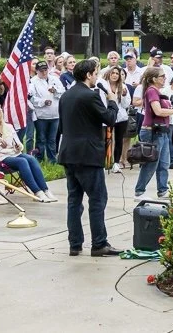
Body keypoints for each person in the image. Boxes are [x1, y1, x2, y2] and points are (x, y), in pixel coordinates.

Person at [57, 59, 122, 257]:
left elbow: (61, 126)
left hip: (69, 153)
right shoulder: (90, 96)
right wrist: (112, 100)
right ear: (88, 75)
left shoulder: (66, 95)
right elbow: (110, 119)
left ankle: (75, 244)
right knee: (97, 199)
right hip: (88, 155)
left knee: (74, 200)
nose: (96, 76)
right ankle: (99, 243)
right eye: (95, 73)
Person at [0, 105, 55, 201]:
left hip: (13, 153)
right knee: (22, 161)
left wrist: (18, 147)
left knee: (31, 158)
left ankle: (45, 190)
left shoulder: (8, 127)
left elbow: (19, 144)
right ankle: (37, 192)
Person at [134, 66, 173, 198]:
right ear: (154, 79)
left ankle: (163, 190)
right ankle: (139, 191)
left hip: (162, 131)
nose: (165, 78)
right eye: (162, 76)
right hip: (152, 131)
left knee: (164, 163)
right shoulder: (151, 91)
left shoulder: (157, 91)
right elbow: (158, 111)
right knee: (151, 163)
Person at [29, 59, 64, 163]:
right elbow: (31, 98)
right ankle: (39, 159)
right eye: (41, 71)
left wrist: (55, 91)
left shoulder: (55, 79)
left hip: (55, 114)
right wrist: (43, 101)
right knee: (41, 138)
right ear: (37, 71)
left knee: (52, 139)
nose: (44, 72)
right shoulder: (33, 81)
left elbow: (63, 92)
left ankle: (52, 160)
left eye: (45, 70)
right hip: (41, 116)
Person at [100, 66, 131, 173]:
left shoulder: (123, 86)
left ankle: (116, 163)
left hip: (121, 117)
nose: (114, 75)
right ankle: (104, 163)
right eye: (112, 73)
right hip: (107, 116)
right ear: (109, 74)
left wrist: (124, 95)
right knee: (106, 140)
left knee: (119, 139)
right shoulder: (103, 85)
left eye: (117, 73)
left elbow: (126, 104)